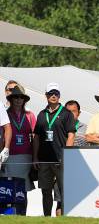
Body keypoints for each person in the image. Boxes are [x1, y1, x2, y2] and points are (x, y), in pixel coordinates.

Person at [32, 82, 75, 216]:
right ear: (46, 96)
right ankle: (46, 217)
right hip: (44, 159)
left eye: (56, 93)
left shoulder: (66, 113)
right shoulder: (41, 114)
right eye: (51, 93)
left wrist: (66, 156)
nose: (53, 96)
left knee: (63, 190)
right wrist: (35, 157)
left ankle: (65, 218)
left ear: (59, 95)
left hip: (60, 159)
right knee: (45, 191)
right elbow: (37, 137)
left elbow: (71, 135)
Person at [3, 86, 36, 215]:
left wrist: (35, 157)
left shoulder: (30, 115)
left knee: (23, 189)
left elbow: (35, 136)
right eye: (15, 97)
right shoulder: (5, 114)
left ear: (24, 100)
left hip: (26, 157)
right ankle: (8, 214)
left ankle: (22, 215)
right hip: (10, 156)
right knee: (8, 187)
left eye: (21, 97)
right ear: (11, 99)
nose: (18, 100)